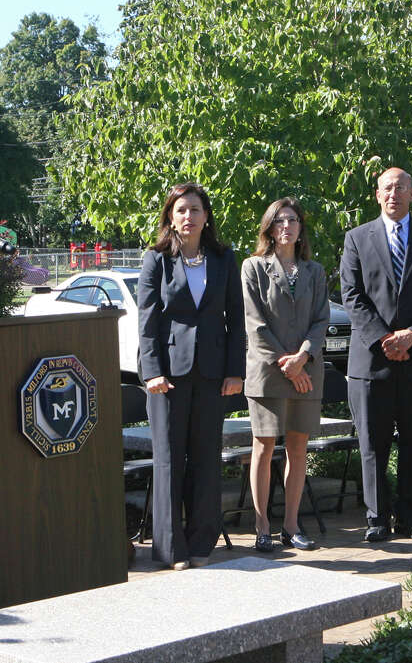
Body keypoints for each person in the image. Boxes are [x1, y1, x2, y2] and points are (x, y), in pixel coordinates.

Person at [340, 168, 412, 542]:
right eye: (387, 188)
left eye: (400, 188)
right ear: (377, 195)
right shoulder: (357, 239)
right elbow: (352, 295)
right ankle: (377, 518)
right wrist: (385, 339)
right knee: (373, 445)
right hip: (371, 362)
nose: (393, 194)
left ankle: (411, 518)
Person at [137, 182, 245, 570]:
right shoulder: (156, 259)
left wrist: (236, 370)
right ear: (170, 215)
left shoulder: (222, 257)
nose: (188, 217)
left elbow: (236, 317)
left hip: (213, 373)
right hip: (167, 374)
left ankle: (202, 544)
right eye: (180, 210)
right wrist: (151, 371)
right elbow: (147, 321)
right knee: (168, 459)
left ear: (206, 215)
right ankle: (171, 549)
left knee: (205, 458)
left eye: (195, 209)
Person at [241, 197, 330, 552]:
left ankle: (291, 526)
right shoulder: (253, 267)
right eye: (279, 221)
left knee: (298, 447)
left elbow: (321, 320)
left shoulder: (315, 271)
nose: (286, 227)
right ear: (269, 227)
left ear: (300, 227)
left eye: (292, 220)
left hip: (307, 370)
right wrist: (288, 364)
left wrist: (303, 357)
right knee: (264, 447)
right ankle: (262, 525)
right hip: (268, 372)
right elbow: (255, 324)